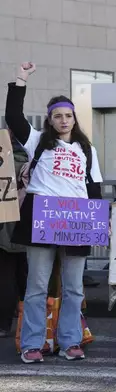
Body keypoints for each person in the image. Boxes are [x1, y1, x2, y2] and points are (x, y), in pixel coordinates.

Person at [6, 62, 103, 363]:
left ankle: (70, 341)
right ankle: (32, 344)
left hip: (76, 218)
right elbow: (12, 116)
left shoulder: (87, 150)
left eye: (68, 115)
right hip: (43, 215)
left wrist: (101, 222)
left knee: (74, 287)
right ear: (50, 120)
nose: (63, 120)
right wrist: (20, 80)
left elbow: (94, 188)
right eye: (58, 116)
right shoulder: (37, 141)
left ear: (75, 118)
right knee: (37, 284)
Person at [0, 134, 28, 338]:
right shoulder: (32, 161)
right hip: (30, 226)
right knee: (28, 277)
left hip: (4, 228)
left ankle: (4, 324)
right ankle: (34, 322)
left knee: (6, 276)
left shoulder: (3, 164)